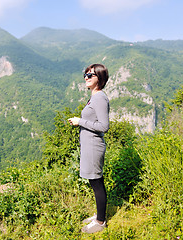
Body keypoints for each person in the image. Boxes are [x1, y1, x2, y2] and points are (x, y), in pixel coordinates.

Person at [68, 63, 109, 234]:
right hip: (89, 145)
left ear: (99, 78)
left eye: (90, 75)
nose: (86, 78)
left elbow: (104, 126)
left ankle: (100, 222)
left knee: (96, 182)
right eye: (85, 74)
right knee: (94, 182)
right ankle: (98, 216)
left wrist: (80, 121)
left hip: (93, 146)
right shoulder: (94, 96)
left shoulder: (99, 97)